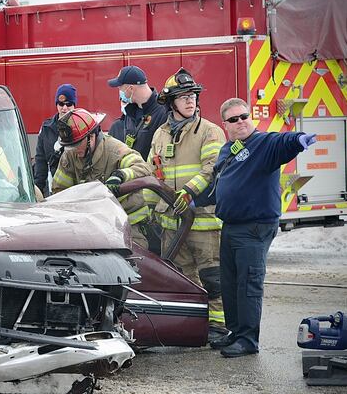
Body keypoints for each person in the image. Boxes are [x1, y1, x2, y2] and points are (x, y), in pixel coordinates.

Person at [208, 97, 316, 358]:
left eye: (244, 116)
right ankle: (235, 332)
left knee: (248, 284)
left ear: (250, 117)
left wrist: (298, 140)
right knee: (231, 283)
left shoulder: (263, 144)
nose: (241, 122)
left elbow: (282, 142)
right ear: (225, 124)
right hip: (231, 226)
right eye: (233, 119)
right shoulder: (228, 150)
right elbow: (217, 183)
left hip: (254, 227)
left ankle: (248, 340)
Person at [148, 68, 228, 344]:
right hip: (171, 224)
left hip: (203, 221)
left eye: (193, 95)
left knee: (212, 276)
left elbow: (212, 167)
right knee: (182, 279)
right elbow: (151, 175)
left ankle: (218, 327)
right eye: (183, 96)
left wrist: (188, 192)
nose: (190, 100)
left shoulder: (209, 131)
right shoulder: (160, 134)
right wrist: (150, 211)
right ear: (171, 103)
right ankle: (194, 325)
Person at [52, 108, 154, 249]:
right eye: (70, 146)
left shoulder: (115, 150)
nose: (74, 150)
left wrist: (120, 176)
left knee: (134, 262)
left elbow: (143, 167)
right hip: (92, 225)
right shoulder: (70, 155)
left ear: (91, 137)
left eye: (77, 144)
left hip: (127, 223)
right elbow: (60, 192)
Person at [107, 65, 167, 160]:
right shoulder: (130, 113)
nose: (120, 93)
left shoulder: (164, 112)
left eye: (120, 88)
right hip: (132, 172)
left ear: (131, 88)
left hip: (152, 173)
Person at [33, 84, 77, 196]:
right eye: (61, 104)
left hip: (76, 187)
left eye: (69, 104)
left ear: (74, 105)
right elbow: (40, 160)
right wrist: (38, 188)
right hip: (54, 188)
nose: (64, 108)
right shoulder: (47, 128)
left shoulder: (81, 125)